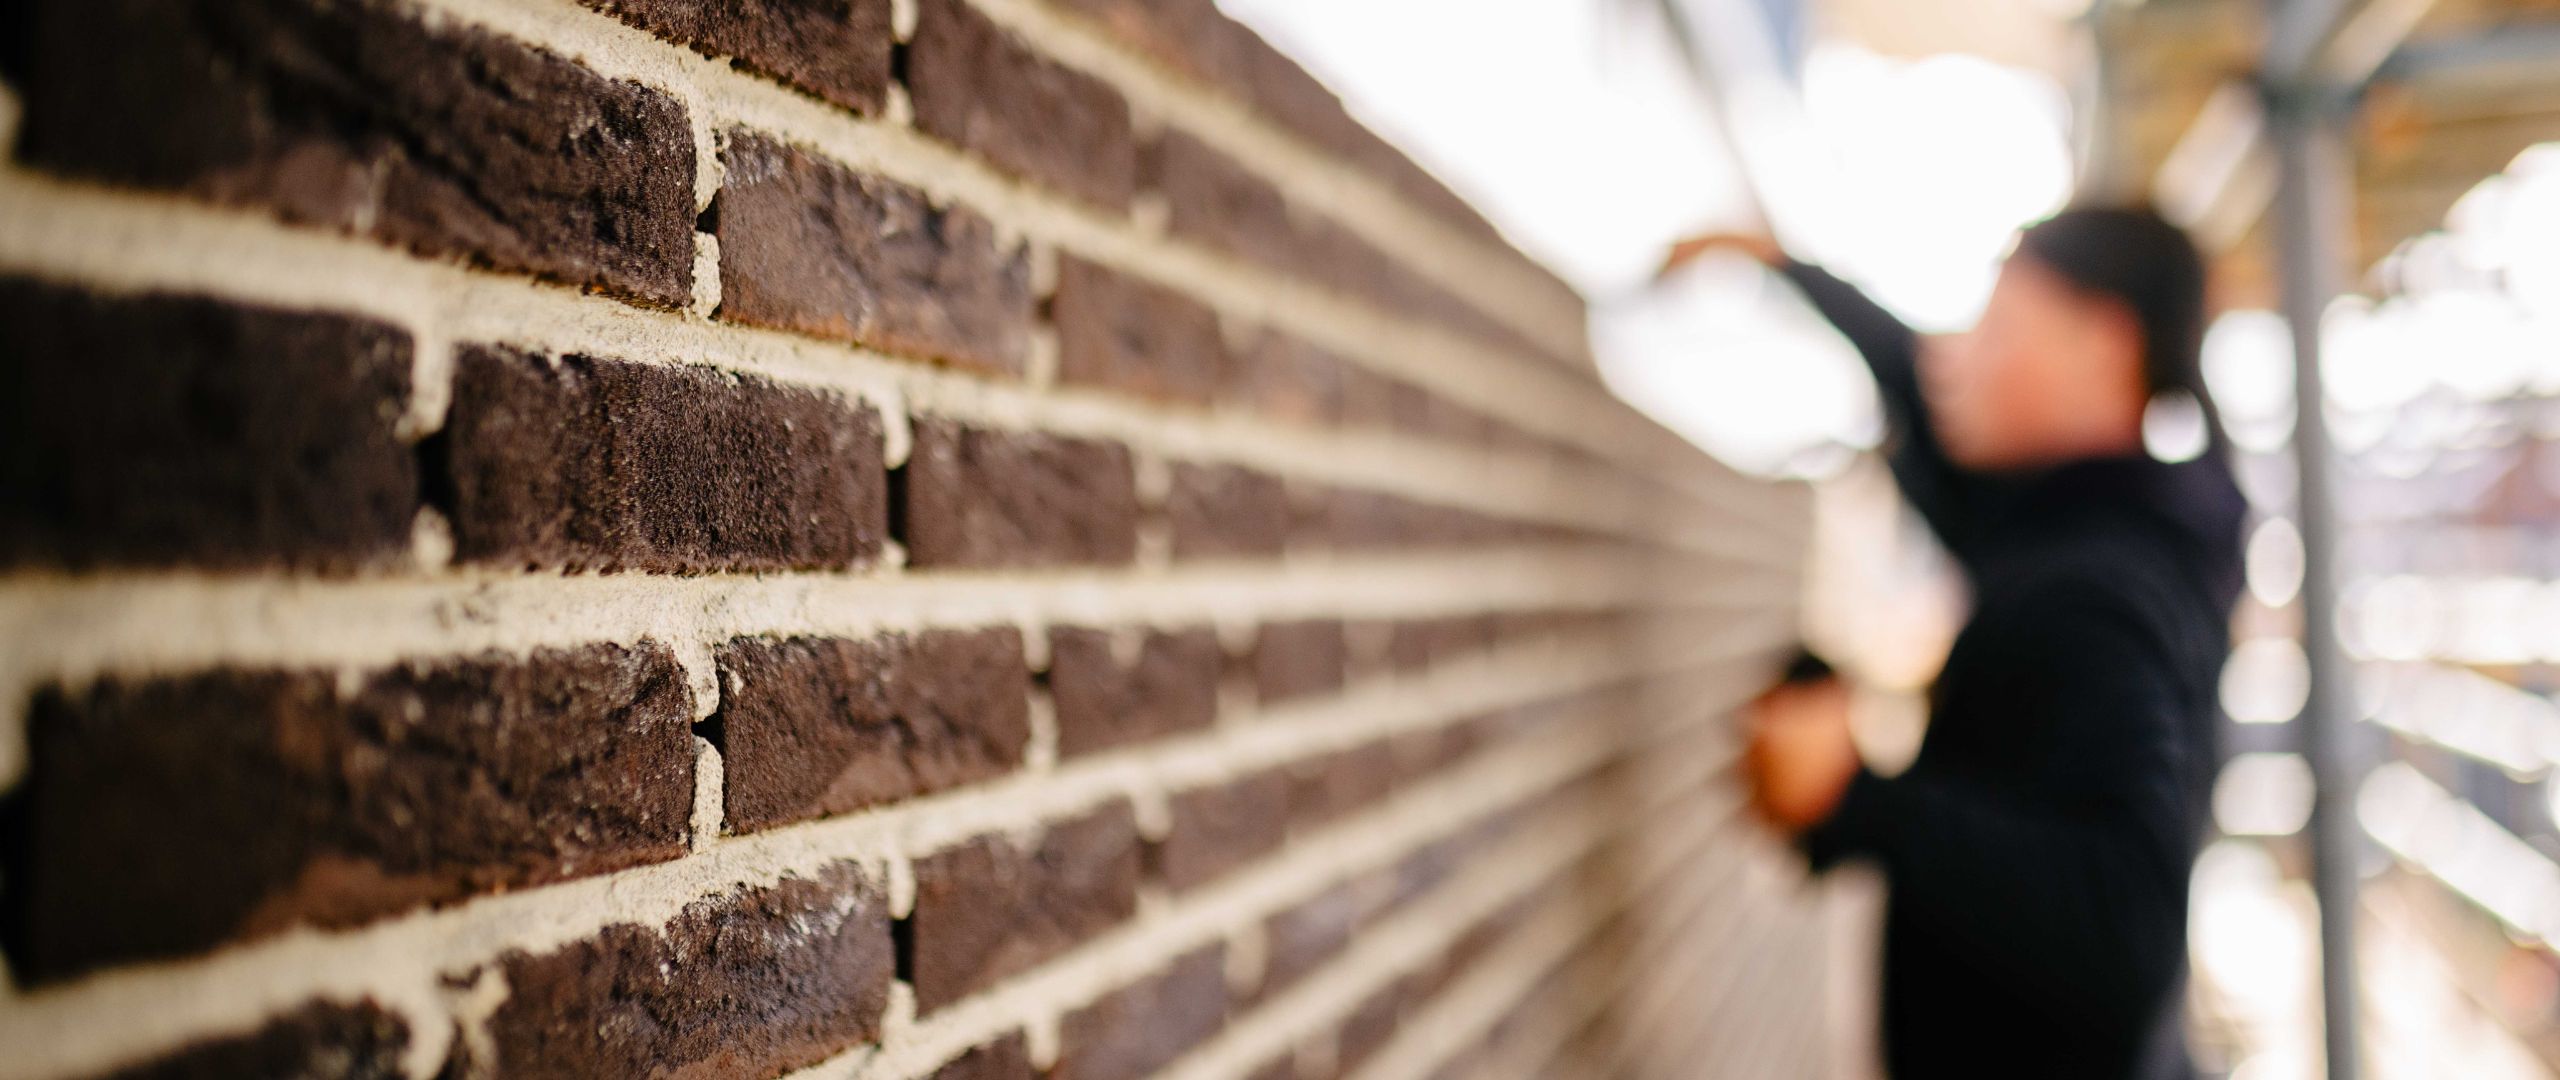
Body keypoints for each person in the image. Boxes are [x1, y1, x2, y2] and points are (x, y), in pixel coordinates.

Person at [1663, 208, 2247, 1080]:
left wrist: (1860, 799)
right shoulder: (2084, 522)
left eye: (1999, 324)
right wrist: (1782, 262)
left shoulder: (2099, 594)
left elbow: (2127, 928)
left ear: (2103, 346)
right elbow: (1915, 380)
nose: (1953, 356)